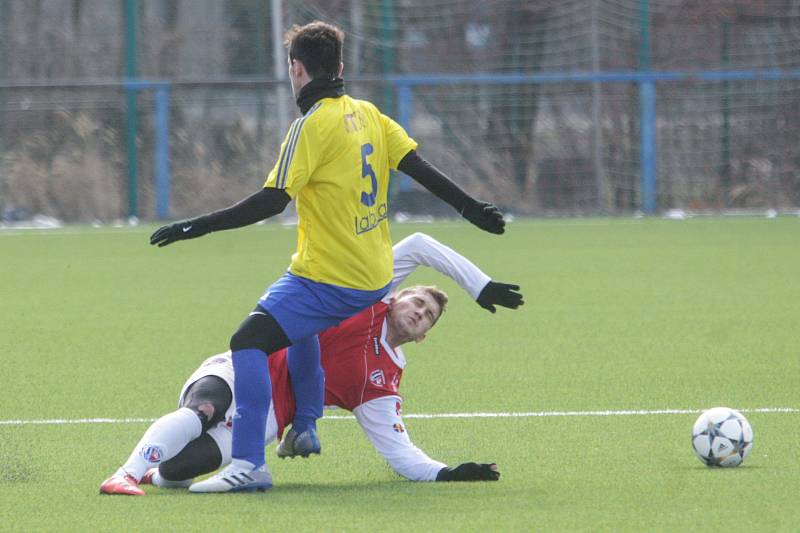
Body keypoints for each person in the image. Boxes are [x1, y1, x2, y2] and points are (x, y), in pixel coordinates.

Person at [148, 21, 507, 492]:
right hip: (374, 273)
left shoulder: (310, 125)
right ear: (339, 67)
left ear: (295, 69)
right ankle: (305, 424)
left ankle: (250, 464)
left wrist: (195, 226)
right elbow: (420, 168)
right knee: (297, 329)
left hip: (330, 278)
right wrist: (472, 208)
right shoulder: (370, 114)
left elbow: (271, 201)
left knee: (249, 341)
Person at [101, 233, 521, 495]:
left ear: (423, 336)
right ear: (396, 298)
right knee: (204, 410)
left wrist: (448, 474)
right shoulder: (367, 295)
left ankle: (154, 476)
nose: (420, 312)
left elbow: (401, 453)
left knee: (178, 471)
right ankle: (124, 474)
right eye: (417, 301)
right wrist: (478, 286)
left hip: (271, 416)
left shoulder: (381, 384)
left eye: (428, 315)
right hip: (245, 366)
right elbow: (418, 245)